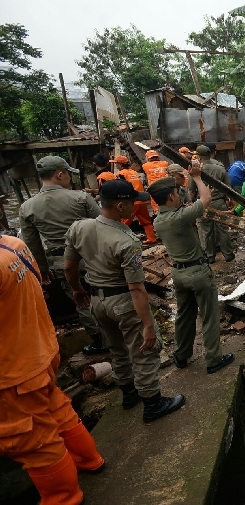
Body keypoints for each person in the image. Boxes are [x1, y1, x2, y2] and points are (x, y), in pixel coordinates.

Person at [64, 180, 185, 423]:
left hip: (97, 301)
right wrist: (148, 325)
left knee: (117, 350)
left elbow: (69, 266)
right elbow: (137, 289)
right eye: (132, 202)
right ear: (120, 205)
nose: (135, 206)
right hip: (123, 302)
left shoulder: (80, 227)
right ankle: (153, 403)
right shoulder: (126, 241)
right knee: (144, 350)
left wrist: (77, 290)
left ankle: (129, 393)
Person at [0, 234, 105, 505]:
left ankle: (63, 497)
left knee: (30, 438)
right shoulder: (13, 244)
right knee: (56, 409)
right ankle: (87, 458)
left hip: (12, 371)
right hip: (40, 351)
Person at [149, 165, 235, 375]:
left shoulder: (159, 221)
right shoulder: (180, 217)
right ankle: (214, 358)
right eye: (175, 194)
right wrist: (196, 177)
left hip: (178, 274)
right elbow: (204, 201)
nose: (178, 197)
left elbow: (196, 202)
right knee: (209, 315)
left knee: (184, 316)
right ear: (170, 196)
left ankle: (181, 355)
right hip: (197, 272)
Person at [19, 156, 106, 355]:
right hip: (95, 257)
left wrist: (42, 269)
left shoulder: (27, 207)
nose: (69, 178)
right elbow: (104, 226)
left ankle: (99, 342)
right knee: (106, 295)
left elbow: (32, 244)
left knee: (82, 302)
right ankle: (119, 334)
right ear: (60, 174)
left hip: (62, 262)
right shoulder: (81, 198)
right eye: (68, 174)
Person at [189, 146, 234, 263]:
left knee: (205, 231)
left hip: (203, 205)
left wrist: (190, 204)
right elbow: (228, 188)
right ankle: (228, 255)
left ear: (198, 156)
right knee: (223, 230)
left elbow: (192, 191)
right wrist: (229, 201)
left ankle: (210, 256)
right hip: (219, 202)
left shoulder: (196, 171)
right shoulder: (220, 168)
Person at [111, 155, 158, 244]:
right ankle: (151, 238)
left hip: (131, 201)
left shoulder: (121, 174)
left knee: (124, 223)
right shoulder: (134, 172)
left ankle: (119, 241)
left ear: (120, 164)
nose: (116, 166)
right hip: (141, 199)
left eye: (116, 164)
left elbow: (121, 188)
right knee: (146, 221)